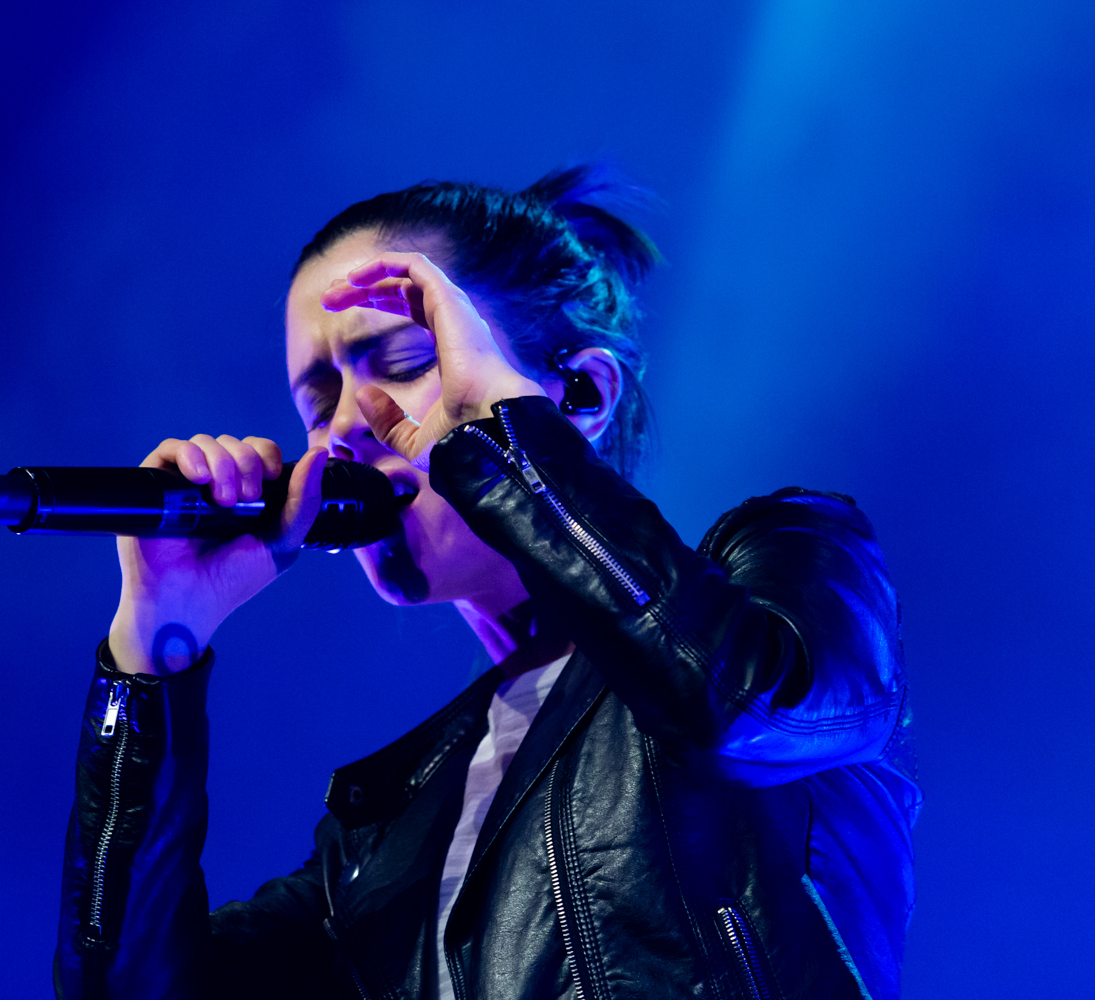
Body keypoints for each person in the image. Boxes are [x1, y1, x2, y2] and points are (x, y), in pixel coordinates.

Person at [53, 167, 920, 1000]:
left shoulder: (786, 562)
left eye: (398, 360)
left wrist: (505, 444)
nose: (343, 433)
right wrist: (155, 645)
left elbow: (745, 713)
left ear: (579, 393)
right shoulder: (378, 842)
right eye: (317, 404)